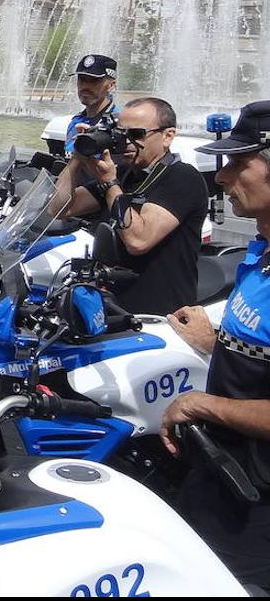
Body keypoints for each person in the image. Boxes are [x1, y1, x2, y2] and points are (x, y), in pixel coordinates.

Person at [160, 100, 270, 590]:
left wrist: (201, 403)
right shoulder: (261, 248)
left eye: (238, 164)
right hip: (221, 475)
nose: (222, 178)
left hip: (255, 505)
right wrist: (218, 342)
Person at [56, 96, 207, 316]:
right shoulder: (124, 175)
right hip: (113, 311)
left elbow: (139, 240)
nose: (126, 141)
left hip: (159, 319)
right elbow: (59, 209)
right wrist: (78, 158)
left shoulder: (182, 178)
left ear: (167, 136)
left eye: (136, 134)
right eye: (120, 133)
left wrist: (109, 182)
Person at [65, 54, 118, 157]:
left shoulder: (117, 124)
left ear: (111, 85)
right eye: (81, 79)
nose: (85, 86)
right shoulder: (75, 121)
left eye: (94, 80)